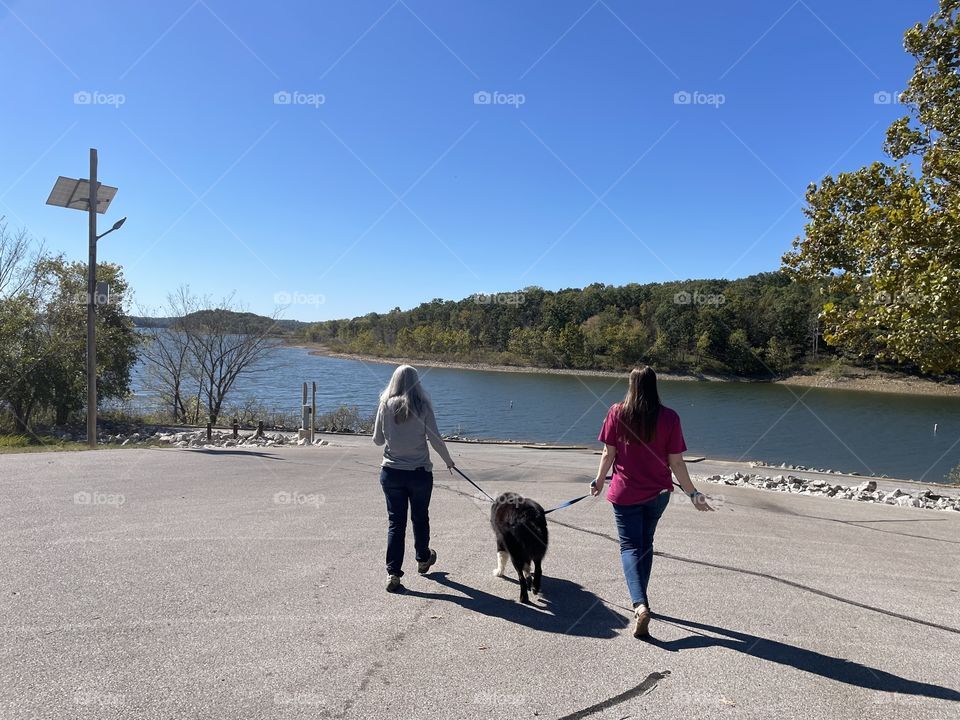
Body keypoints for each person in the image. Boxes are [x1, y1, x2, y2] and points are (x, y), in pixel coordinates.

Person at [591, 366, 713, 637]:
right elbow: (677, 462)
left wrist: (599, 480)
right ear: (654, 385)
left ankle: (640, 604)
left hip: (625, 494)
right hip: (658, 494)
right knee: (645, 545)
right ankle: (642, 601)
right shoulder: (669, 417)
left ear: (631, 385)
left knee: (629, 547)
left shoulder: (616, 412)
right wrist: (693, 493)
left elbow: (607, 453)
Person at [373, 365, 455, 593]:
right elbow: (435, 439)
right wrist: (448, 460)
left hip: (391, 473)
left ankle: (393, 573)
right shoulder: (423, 406)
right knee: (420, 517)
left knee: (395, 523)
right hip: (419, 473)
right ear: (416, 382)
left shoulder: (385, 404)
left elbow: (377, 440)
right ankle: (422, 558)